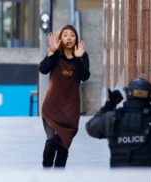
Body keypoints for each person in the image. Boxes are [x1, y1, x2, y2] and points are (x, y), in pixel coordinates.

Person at [39, 25, 90, 168]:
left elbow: (85, 76)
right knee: (52, 140)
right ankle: (46, 171)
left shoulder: (82, 56)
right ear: (60, 38)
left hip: (70, 109)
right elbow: (43, 69)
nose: (69, 38)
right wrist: (51, 52)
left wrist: (78, 59)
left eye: (72, 35)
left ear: (76, 39)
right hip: (52, 107)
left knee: (63, 146)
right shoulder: (55, 55)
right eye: (66, 35)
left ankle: (58, 175)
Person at [85, 78, 151, 167]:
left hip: (120, 176)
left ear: (128, 94)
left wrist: (110, 104)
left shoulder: (112, 118)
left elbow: (91, 127)